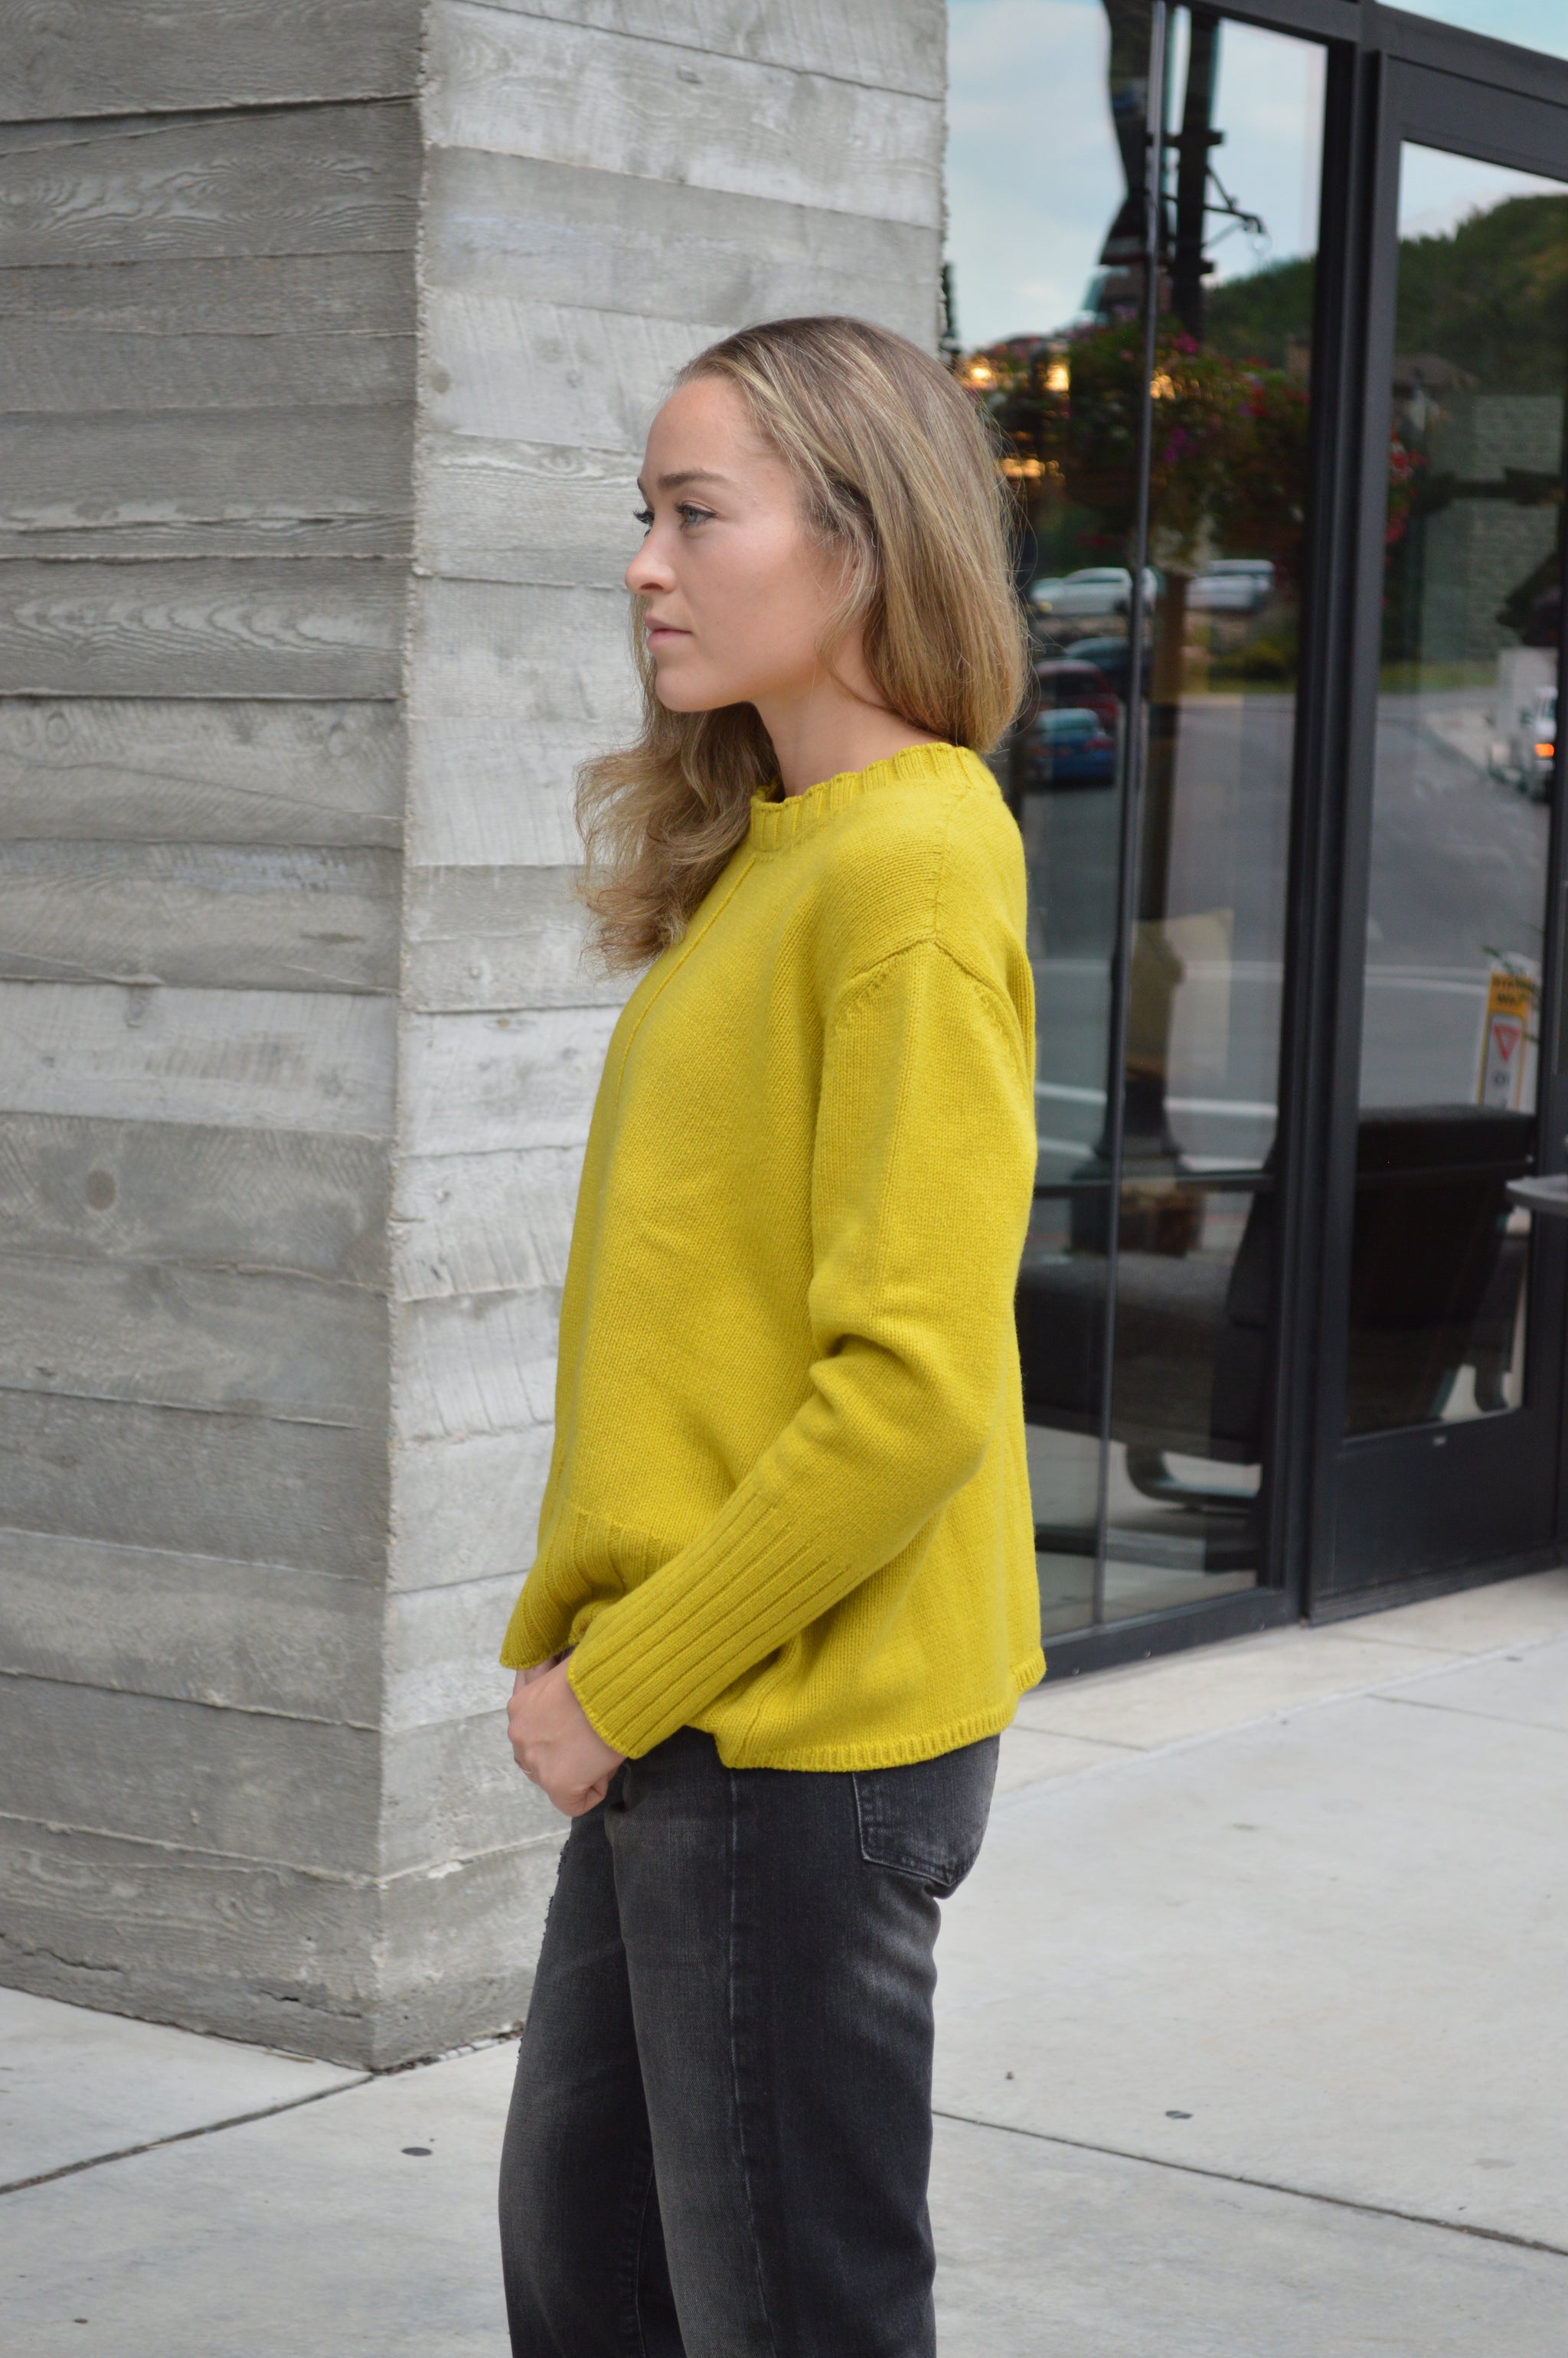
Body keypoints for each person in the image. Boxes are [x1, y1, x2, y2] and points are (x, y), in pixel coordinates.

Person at [497, 314, 1042, 2358]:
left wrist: (616, 1686)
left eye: (694, 513)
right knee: (596, 2276)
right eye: (643, 513)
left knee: (788, 2314)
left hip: (789, 1739)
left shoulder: (910, 870)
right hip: (696, 1709)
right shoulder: (785, 855)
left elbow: (908, 1396)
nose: (643, 562)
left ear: (860, 538)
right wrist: (611, 1669)